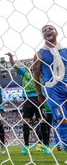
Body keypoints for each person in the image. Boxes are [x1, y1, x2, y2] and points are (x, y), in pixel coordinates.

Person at [33, 24, 67, 162]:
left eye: (50, 29)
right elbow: (36, 76)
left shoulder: (65, 51)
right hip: (52, 90)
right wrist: (40, 94)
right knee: (62, 119)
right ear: (43, 35)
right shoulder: (39, 54)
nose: (48, 31)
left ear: (56, 33)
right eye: (44, 30)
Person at [5, 53, 50, 155]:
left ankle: (46, 145)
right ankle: (26, 146)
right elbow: (14, 65)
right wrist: (11, 57)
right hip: (27, 99)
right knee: (26, 121)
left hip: (39, 98)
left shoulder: (39, 72)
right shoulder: (24, 72)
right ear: (26, 65)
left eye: (32, 62)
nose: (30, 63)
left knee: (42, 121)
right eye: (28, 62)